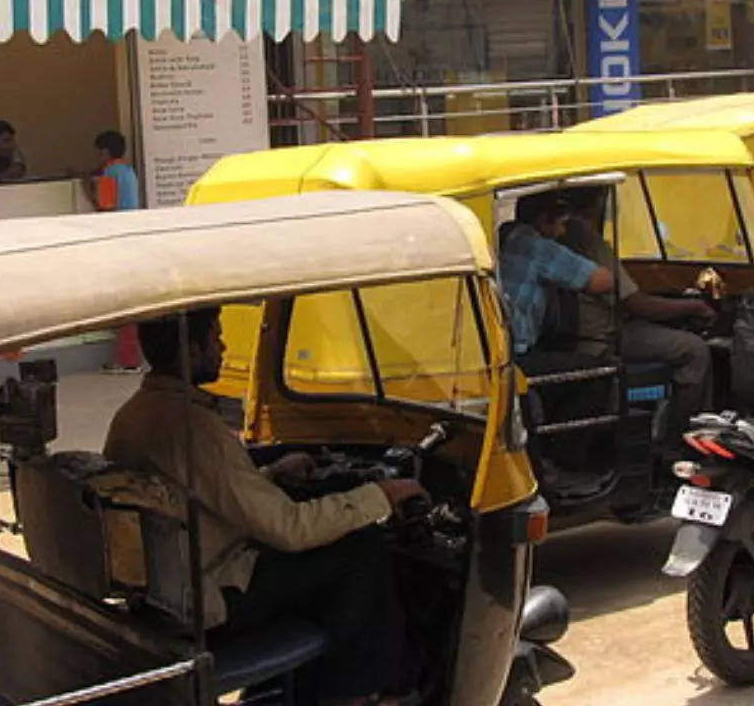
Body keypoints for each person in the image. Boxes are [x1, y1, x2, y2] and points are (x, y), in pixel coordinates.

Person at [104, 308, 425, 705]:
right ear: (191, 349)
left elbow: (210, 494)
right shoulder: (192, 427)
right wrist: (383, 495)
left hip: (175, 578)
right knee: (362, 550)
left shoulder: (136, 413)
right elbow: (289, 530)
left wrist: (271, 475)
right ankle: (363, 695)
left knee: (332, 536)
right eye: (215, 339)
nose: (222, 347)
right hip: (208, 597)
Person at [560, 187, 715, 450]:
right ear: (598, 201)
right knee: (694, 350)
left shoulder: (547, 238)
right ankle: (679, 444)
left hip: (586, 331)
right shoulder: (583, 236)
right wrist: (694, 307)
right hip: (601, 336)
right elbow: (638, 304)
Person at [497, 191, 614, 480]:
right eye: (561, 224)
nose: (563, 233)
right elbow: (602, 281)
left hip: (504, 350)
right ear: (543, 219)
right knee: (598, 372)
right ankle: (565, 460)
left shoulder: (502, 237)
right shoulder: (536, 247)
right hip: (515, 356)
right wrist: (586, 239)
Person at [88, 130, 145, 373]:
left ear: (105, 152)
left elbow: (105, 206)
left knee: (124, 308)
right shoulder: (129, 171)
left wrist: (87, 187)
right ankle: (130, 358)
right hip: (132, 240)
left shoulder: (110, 173)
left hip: (118, 241)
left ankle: (127, 360)